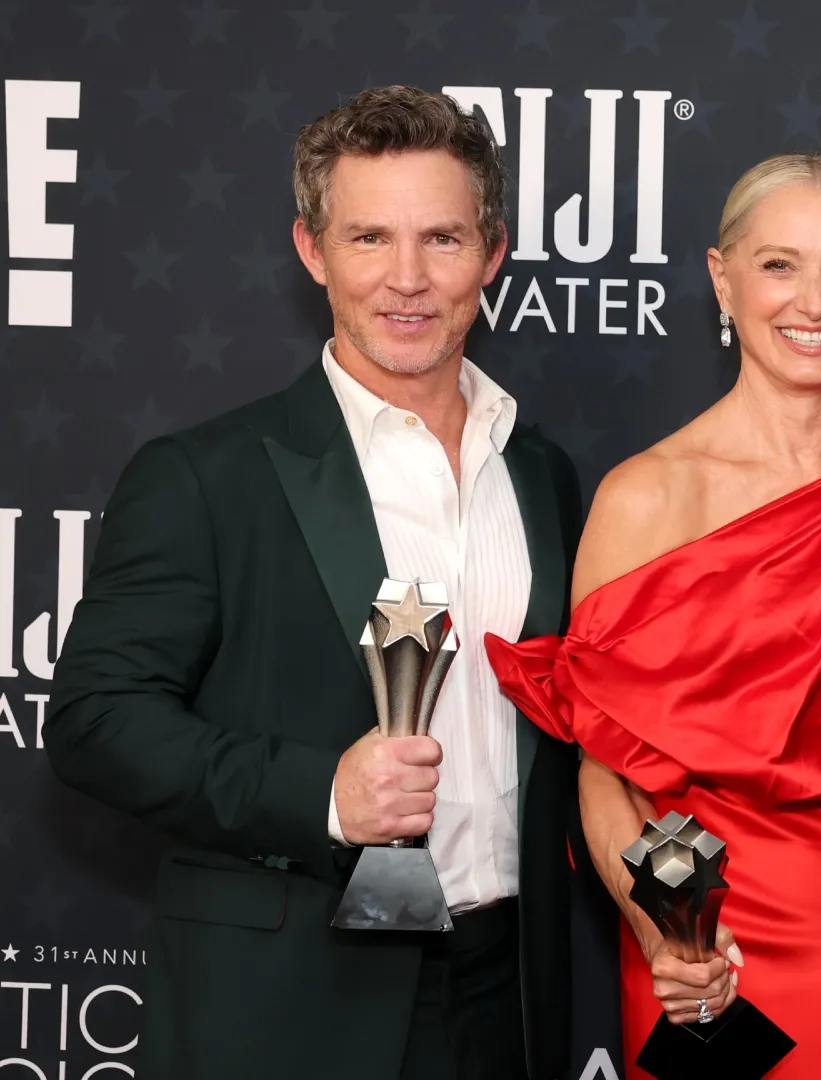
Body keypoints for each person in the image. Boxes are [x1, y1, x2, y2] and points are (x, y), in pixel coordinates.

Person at [46, 87, 585, 1080]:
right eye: (370, 238)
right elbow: (94, 721)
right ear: (312, 251)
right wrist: (322, 795)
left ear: (493, 253)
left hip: (505, 995)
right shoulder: (206, 476)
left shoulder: (542, 474)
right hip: (287, 1004)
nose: (408, 278)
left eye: (442, 239)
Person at [484, 153, 821, 1080]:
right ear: (723, 278)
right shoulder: (647, 497)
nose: (813, 303)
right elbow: (602, 771)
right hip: (700, 940)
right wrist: (661, 932)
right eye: (779, 265)